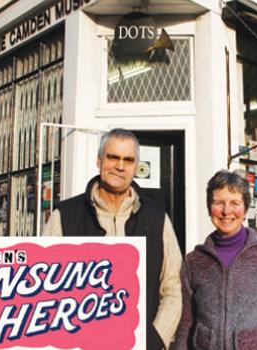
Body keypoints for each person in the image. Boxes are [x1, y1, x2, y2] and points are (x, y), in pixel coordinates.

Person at [44, 128, 182, 349]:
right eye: (113, 157)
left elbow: (173, 287)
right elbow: (46, 290)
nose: (120, 166)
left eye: (128, 160)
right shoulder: (65, 216)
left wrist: (155, 339)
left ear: (136, 167)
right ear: (99, 161)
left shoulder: (157, 218)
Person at [172, 170, 257, 350]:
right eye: (218, 202)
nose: (226, 211)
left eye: (235, 203)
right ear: (209, 208)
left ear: (245, 209)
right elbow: (186, 321)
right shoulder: (193, 261)